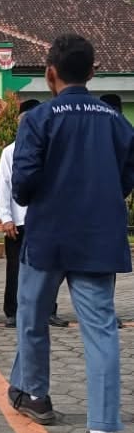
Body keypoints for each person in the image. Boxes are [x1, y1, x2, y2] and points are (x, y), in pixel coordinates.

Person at [8, 34, 134, 433]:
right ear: (93, 72)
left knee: (32, 317)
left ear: (50, 74)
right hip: (98, 239)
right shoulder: (116, 121)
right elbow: (127, 176)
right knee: (101, 330)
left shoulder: (39, 119)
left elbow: (23, 182)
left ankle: (36, 396)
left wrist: (37, 196)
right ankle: (102, 431)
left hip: (48, 236)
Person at [0, 100, 69, 328]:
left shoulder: (50, 150)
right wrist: (6, 217)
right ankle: (13, 312)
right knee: (15, 269)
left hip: (46, 220)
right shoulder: (10, 151)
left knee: (49, 267)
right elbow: (3, 186)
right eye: (24, 120)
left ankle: (48, 310)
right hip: (18, 222)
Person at [100, 93, 128, 329]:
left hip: (80, 208)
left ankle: (47, 310)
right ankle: (105, 312)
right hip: (110, 209)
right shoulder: (122, 129)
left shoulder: (94, 131)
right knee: (105, 265)